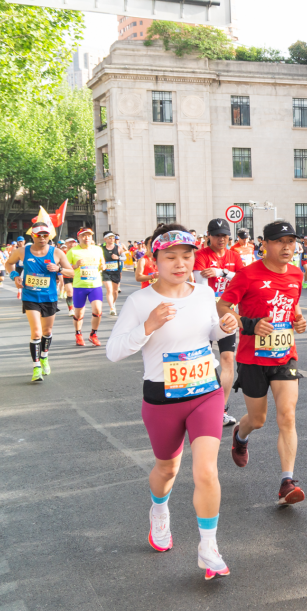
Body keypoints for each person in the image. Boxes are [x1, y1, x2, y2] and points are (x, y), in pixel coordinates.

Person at [107, 224, 239, 580]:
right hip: (162, 398)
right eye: (171, 257)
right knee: (167, 469)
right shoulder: (140, 302)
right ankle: (159, 511)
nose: (180, 264)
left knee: (206, 471)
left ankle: (208, 547)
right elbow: (114, 351)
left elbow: (209, 333)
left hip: (205, 392)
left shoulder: (205, 293)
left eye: (186, 256)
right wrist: (148, 326)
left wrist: (225, 327)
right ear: (155, 260)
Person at [218, 221, 307, 505]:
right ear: (265, 244)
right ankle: (240, 435)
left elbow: (293, 304)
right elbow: (222, 306)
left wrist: (298, 319)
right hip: (252, 358)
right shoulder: (247, 275)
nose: (287, 247)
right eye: (280, 241)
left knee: (288, 416)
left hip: (284, 355)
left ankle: (287, 482)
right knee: (258, 420)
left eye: (291, 241)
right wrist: (250, 324)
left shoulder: (297, 273)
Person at [3, 217, 74, 381]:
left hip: (49, 297)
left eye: (45, 235)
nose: (42, 238)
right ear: (32, 236)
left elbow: (71, 272)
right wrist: (15, 276)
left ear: (49, 236)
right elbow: (9, 264)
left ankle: (44, 358)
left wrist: (59, 269)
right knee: (36, 332)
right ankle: (36, 368)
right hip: (30, 296)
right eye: (38, 235)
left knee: (47, 331)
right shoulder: (22, 251)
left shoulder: (57, 252)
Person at [193, 218, 247, 429]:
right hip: (204, 315)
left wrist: (221, 272)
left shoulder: (234, 256)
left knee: (227, 358)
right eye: (217, 235)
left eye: (224, 235)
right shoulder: (201, 256)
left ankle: (221, 409)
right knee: (205, 360)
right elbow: (200, 285)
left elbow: (244, 279)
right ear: (209, 236)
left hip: (226, 314)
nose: (221, 239)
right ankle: (206, 405)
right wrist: (226, 276)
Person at [67, 228, 106, 346]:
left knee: (98, 310)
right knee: (79, 314)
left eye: (89, 235)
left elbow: (102, 263)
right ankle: (78, 334)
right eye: (84, 236)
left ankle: (93, 334)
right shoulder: (72, 251)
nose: (87, 238)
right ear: (78, 238)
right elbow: (65, 268)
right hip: (80, 286)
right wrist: (75, 265)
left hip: (95, 285)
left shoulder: (98, 249)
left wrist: (103, 266)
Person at [101, 231, 126, 316]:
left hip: (115, 271)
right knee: (109, 289)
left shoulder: (118, 248)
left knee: (115, 291)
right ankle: (112, 308)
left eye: (113, 238)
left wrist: (118, 257)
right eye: (110, 238)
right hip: (105, 272)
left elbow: (124, 258)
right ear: (105, 239)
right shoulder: (101, 248)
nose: (112, 239)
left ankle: (113, 303)